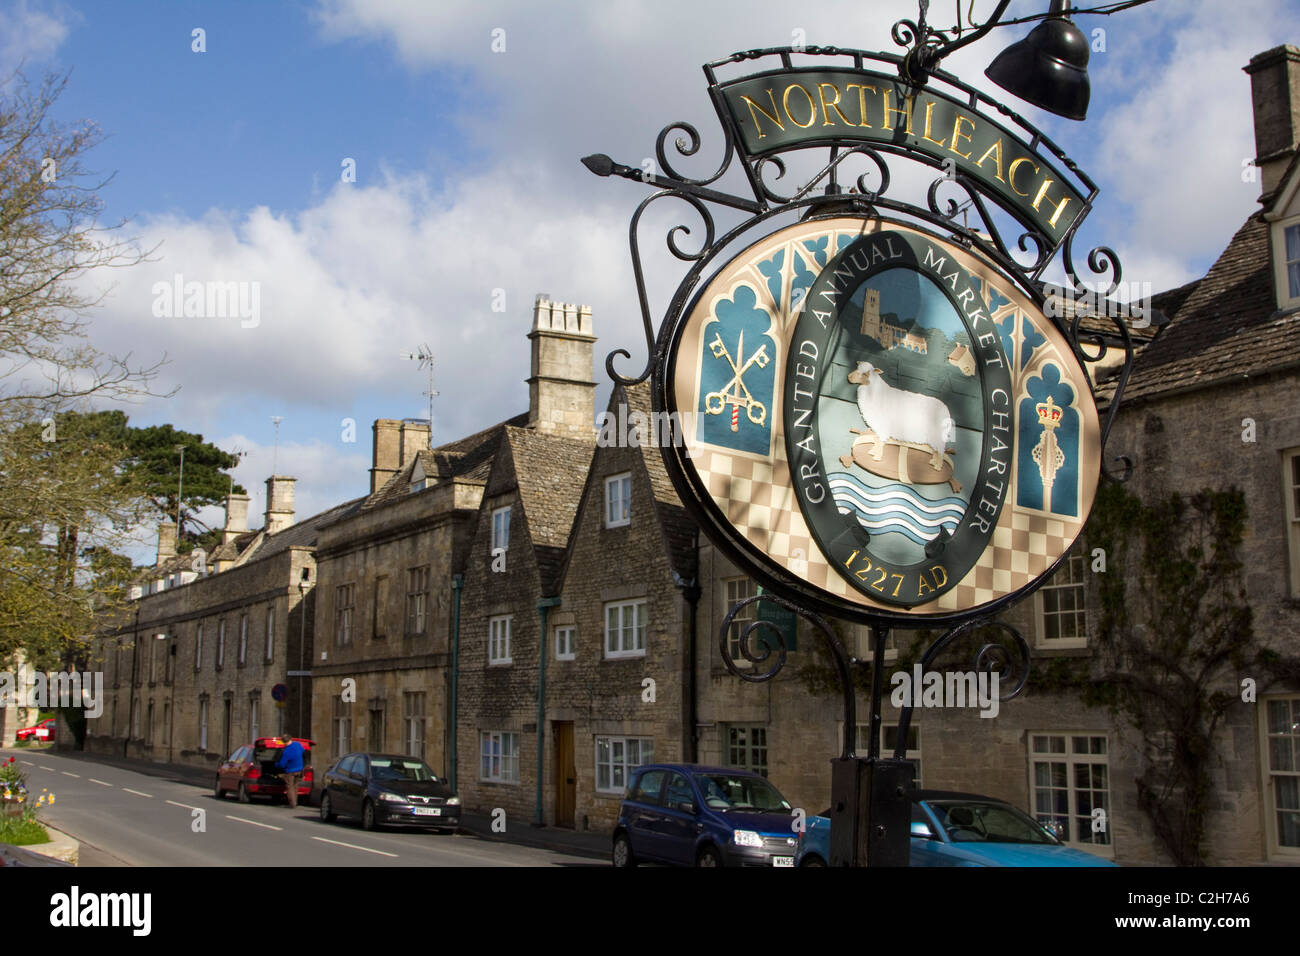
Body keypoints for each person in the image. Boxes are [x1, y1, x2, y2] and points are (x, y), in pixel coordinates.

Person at [275, 734, 306, 808]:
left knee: (290, 787)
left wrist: (276, 764)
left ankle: (292, 804)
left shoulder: (286, 751)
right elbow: (303, 751)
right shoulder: (297, 745)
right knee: (295, 786)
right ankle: (295, 802)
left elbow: (282, 764)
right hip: (299, 769)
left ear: (284, 742)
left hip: (290, 771)